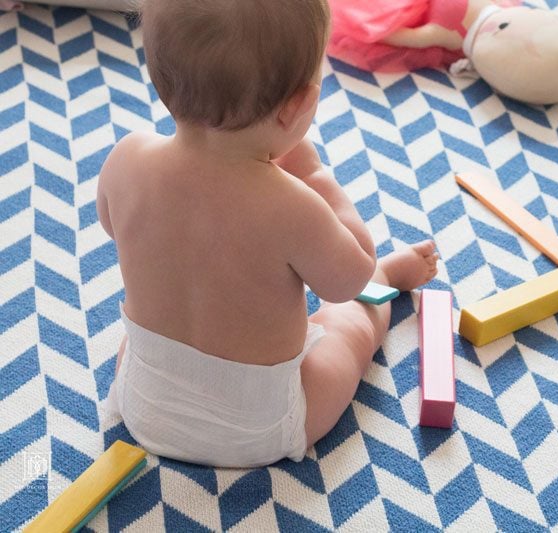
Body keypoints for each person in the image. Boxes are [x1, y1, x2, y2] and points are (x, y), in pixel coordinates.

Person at [99, 0, 438, 467]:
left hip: (145, 406)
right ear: (297, 106)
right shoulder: (294, 205)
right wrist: (316, 176)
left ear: (160, 76)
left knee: (153, 331)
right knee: (347, 325)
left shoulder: (127, 157)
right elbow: (347, 281)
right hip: (258, 428)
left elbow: (113, 225)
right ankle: (390, 279)